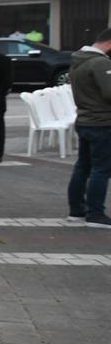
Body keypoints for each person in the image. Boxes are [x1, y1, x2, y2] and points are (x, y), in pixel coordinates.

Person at [68, 27, 111, 228]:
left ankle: (76, 210)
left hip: (85, 120)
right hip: (102, 122)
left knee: (83, 166)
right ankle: (95, 214)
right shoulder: (101, 63)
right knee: (101, 169)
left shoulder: (78, 60)